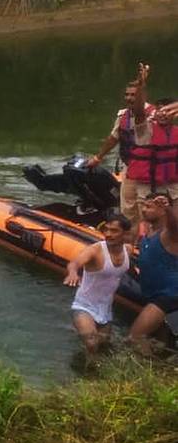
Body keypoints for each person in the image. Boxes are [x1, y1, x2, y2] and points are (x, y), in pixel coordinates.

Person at [87, 64, 178, 223]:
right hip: (138, 172)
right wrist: (98, 157)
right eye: (127, 94)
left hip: (166, 179)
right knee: (132, 212)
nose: (163, 115)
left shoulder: (167, 125)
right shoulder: (140, 125)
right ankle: (133, 239)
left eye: (167, 112)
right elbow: (116, 135)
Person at [63, 210, 131, 354]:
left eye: (114, 231)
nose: (108, 234)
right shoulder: (95, 250)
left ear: (125, 234)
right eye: (106, 229)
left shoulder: (128, 251)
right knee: (92, 343)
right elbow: (74, 263)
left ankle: (88, 365)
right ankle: (86, 374)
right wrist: (73, 273)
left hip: (105, 310)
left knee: (104, 348)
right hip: (84, 306)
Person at [128, 192, 178, 351]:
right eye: (144, 205)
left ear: (162, 211)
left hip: (169, 295)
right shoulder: (148, 233)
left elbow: (175, 228)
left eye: (149, 207)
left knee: (134, 338)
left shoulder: (168, 235)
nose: (143, 210)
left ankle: (140, 371)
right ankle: (159, 368)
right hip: (153, 294)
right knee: (160, 343)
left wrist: (168, 209)